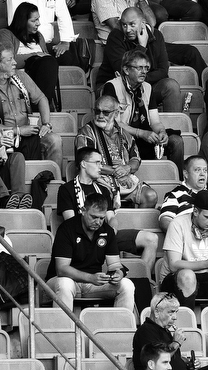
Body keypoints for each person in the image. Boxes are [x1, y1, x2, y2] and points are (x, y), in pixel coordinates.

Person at [57, 145, 159, 282]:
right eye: (97, 162)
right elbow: (70, 221)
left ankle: (142, 283)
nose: (101, 167)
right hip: (81, 239)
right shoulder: (66, 189)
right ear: (83, 164)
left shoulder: (103, 190)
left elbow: (111, 217)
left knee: (151, 239)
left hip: (104, 234)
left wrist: (111, 232)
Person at [0, 42, 62, 167]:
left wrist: (46, 123)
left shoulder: (21, 76)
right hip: (4, 136)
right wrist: (18, 131)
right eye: (10, 60)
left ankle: (53, 181)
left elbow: (41, 98)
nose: (15, 62)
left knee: (54, 139)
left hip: (29, 131)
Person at [99, 6, 200, 113]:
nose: (127, 30)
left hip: (145, 86)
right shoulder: (115, 36)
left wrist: (142, 80)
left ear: (143, 23)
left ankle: (173, 127)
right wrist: (141, 47)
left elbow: (163, 71)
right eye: (124, 25)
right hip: (116, 87)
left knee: (171, 86)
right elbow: (124, 72)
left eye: (132, 24)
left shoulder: (157, 36)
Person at [46, 192, 135, 310]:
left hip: (93, 284)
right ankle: (64, 328)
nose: (98, 222)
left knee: (127, 285)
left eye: (102, 218)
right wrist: (90, 278)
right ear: (83, 210)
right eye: (94, 217)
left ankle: (119, 328)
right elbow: (61, 269)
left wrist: (119, 273)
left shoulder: (107, 231)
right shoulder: (67, 228)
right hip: (62, 280)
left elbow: (114, 265)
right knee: (65, 284)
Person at [101, 49, 185, 170]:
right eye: (139, 68)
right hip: (122, 137)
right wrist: (141, 133)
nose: (144, 72)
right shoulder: (112, 86)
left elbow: (155, 121)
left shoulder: (147, 87)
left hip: (145, 135)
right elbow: (114, 124)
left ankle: (179, 182)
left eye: (146, 68)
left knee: (176, 141)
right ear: (126, 70)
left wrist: (162, 132)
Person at [76, 94, 157, 208]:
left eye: (106, 112)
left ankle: (135, 224)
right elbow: (84, 162)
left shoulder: (124, 134)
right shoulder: (86, 133)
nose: (100, 115)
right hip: (98, 180)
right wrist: (116, 172)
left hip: (125, 179)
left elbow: (136, 159)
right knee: (103, 198)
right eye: (97, 111)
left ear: (116, 113)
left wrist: (127, 168)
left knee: (150, 195)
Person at [0, 2, 62, 109]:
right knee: (47, 62)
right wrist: (35, 55)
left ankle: (42, 105)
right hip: (17, 81)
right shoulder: (5, 34)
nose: (38, 23)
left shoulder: (39, 36)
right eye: (34, 20)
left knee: (50, 62)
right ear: (23, 21)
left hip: (40, 80)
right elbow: (4, 61)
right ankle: (42, 107)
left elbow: (45, 57)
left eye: (38, 19)